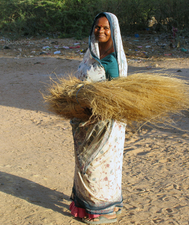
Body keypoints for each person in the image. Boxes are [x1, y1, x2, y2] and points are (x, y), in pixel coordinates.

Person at [69, 12, 128, 224]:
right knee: (84, 165)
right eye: (97, 27)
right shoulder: (91, 52)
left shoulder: (115, 59)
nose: (100, 31)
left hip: (105, 125)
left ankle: (104, 211)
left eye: (105, 28)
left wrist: (99, 106)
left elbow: (119, 95)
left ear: (113, 31)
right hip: (83, 121)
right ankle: (85, 208)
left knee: (99, 168)